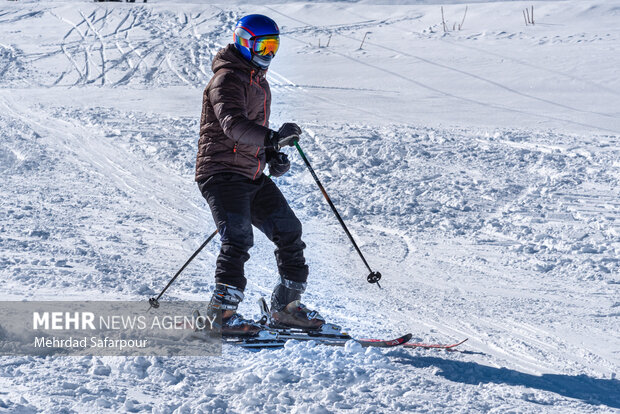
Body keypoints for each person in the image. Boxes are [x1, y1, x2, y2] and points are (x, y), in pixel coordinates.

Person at [195, 14, 324, 335]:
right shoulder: (226, 79)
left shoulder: (258, 81)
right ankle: (220, 315)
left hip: (250, 174)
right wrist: (271, 138)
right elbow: (233, 125)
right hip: (220, 172)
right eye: (263, 45)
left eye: (274, 46)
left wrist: (271, 155)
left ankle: (286, 308)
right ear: (243, 41)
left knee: (289, 230)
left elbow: (255, 130)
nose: (268, 53)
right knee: (238, 237)